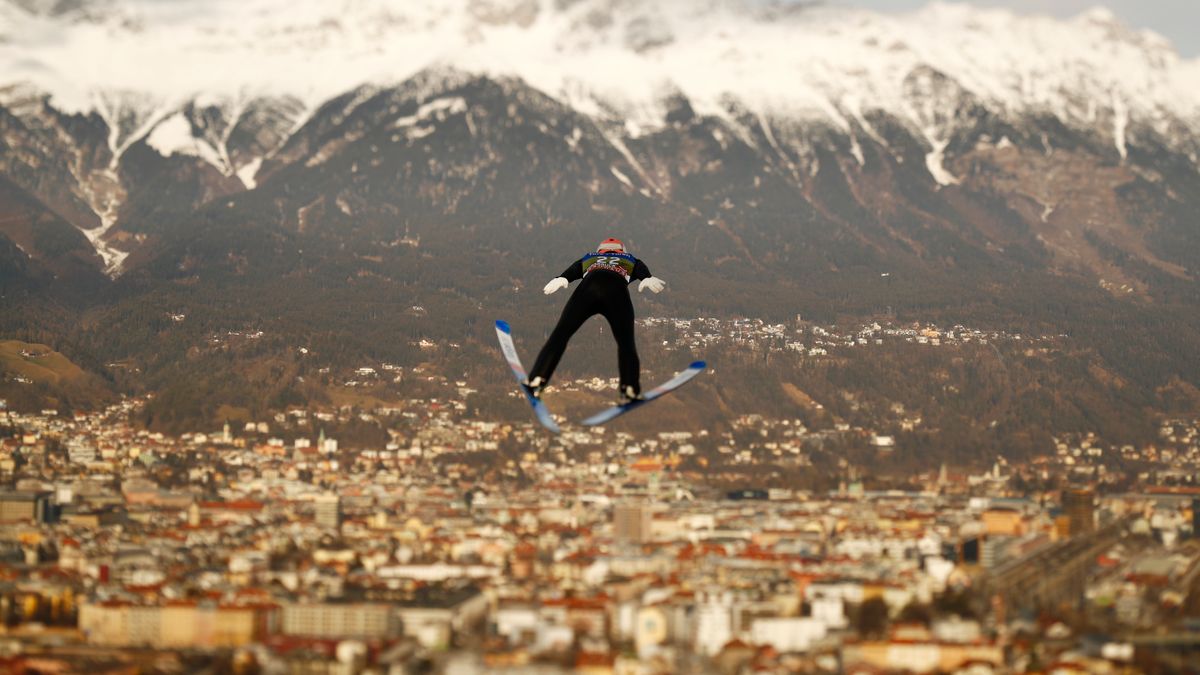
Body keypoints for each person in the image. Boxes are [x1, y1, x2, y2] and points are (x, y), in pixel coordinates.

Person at [524, 238, 665, 403]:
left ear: (600, 251)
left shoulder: (589, 257)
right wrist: (647, 277)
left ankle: (537, 379)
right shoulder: (630, 259)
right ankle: (630, 388)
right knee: (626, 342)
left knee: (560, 335)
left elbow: (573, 270)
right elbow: (641, 270)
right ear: (622, 250)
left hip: (588, 289)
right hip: (616, 291)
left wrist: (562, 278)